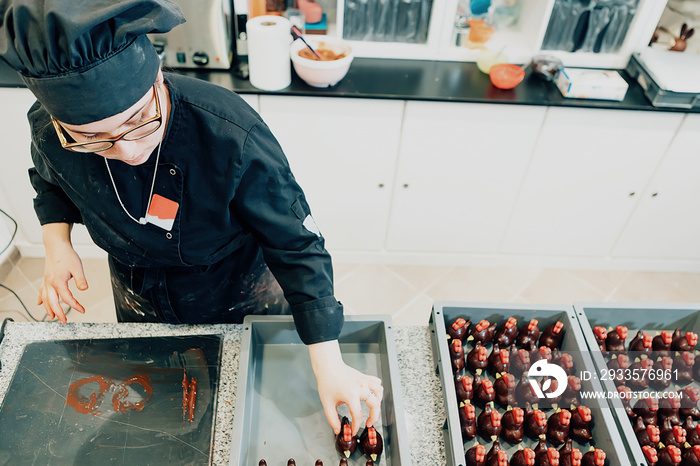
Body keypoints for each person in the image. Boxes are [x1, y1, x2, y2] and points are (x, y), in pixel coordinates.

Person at [0, 0, 382, 435]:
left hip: (234, 288)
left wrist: (327, 361)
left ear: (158, 79)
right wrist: (57, 243)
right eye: (93, 139)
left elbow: (296, 243)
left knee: (240, 407)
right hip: (136, 288)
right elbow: (48, 179)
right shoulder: (51, 131)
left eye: (140, 120)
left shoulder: (229, 132)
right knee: (162, 402)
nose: (127, 151)